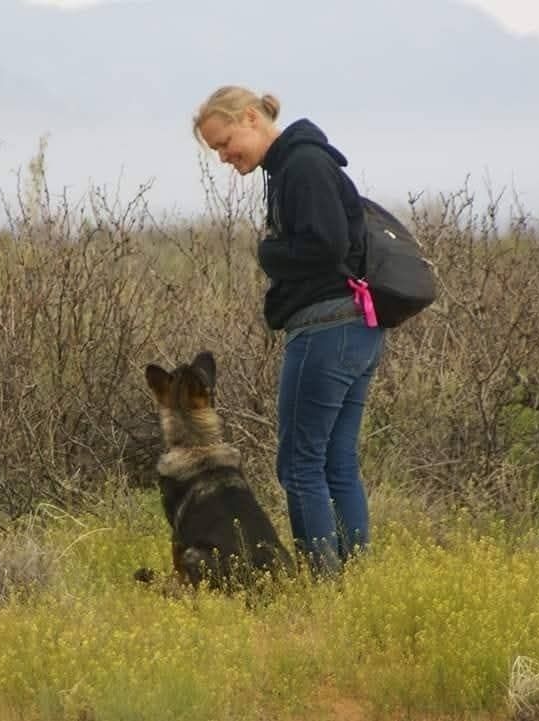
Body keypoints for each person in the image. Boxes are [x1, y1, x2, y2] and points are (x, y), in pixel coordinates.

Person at [193, 86, 385, 574]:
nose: (223, 157)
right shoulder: (296, 165)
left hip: (326, 329)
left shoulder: (301, 165)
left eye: (225, 142)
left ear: (252, 118)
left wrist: (268, 252)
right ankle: (354, 582)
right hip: (354, 328)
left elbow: (324, 246)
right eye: (215, 149)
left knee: (300, 466)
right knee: (335, 461)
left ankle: (321, 584)